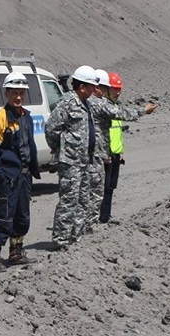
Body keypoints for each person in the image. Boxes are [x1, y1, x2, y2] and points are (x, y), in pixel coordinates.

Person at [0, 72, 40, 272]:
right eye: (14, 93)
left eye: (21, 93)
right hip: (7, 178)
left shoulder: (26, 117)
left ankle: (16, 252)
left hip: (23, 176)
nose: (18, 97)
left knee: (22, 216)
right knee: (2, 217)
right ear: (6, 93)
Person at [87, 70, 157, 228]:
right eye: (114, 89)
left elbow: (117, 132)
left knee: (110, 187)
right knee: (100, 189)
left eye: (119, 89)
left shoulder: (113, 106)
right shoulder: (103, 107)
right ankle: (97, 219)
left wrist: (120, 151)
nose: (117, 92)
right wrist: (143, 111)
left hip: (115, 153)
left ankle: (105, 216)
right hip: (105, 154)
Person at [45, 65, 98, 251]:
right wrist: (60, 148)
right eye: (91, 86)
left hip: (84, 162)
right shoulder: (68, 102)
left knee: (83, 201)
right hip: (71, 163)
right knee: (69, 201)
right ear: (82, 87)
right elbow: (52, 128)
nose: (93, 90)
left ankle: (77, 237)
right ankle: (61, 240)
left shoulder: (86, 104)